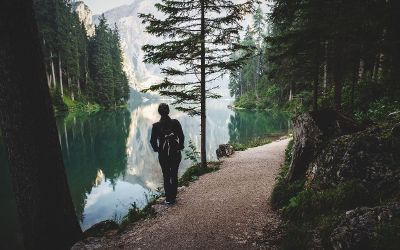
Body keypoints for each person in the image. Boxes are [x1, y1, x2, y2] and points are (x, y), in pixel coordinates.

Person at [150, 103, 185, 205]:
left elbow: (152, 141)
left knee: (166, 175)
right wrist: (180, 146)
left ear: (159, 112)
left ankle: (169, 199)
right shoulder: (175, 123)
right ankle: (173, 197)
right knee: (174, 175)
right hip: (175, 151)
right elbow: (181, 136)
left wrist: (157, 149)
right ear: (168, 111)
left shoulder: (156, 126)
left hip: (163, 153)